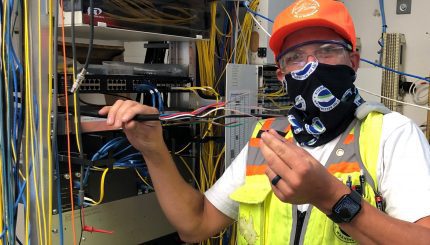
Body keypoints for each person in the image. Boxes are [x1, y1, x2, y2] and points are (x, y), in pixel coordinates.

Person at [99, 0, 430, 244]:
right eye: (296, 57)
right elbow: (195, 224)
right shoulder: (269, 139)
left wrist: (331, 197)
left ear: (353, 61)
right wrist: (154, 151)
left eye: (327, 50)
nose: (312, 66)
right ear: (282, 74)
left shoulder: (391, 134)